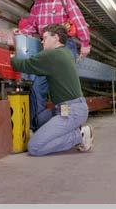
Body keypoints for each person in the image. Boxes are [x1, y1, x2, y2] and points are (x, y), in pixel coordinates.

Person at [17, 0, 91, 131]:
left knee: (63, 90)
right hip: (46, 50)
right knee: (37, 87)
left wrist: (85, 42)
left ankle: (74, 128)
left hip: (64, 48)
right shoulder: (37, 5)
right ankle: (38, 128)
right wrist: (19, 33)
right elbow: (30, 25)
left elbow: (78, 19)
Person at [10, 24, 94, 156]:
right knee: (38, 121)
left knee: (34, 147)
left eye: (44, 38)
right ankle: (69, 129)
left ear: (55, 37)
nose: (42, 41)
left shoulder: (53, 55)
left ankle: (79, 136)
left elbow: (23, 65)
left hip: (71, 111)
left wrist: (9, 56)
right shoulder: (65, 52)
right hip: (65, 108)